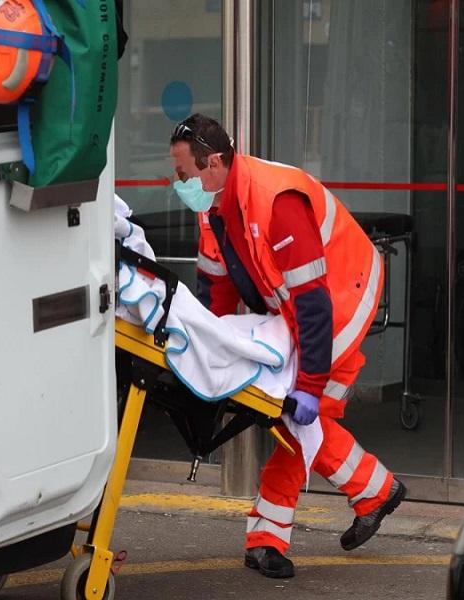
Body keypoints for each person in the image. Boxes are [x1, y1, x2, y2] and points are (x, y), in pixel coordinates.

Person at [168, 113, 406, 579]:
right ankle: (368, 494)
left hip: (344, 295)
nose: (177, 182)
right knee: (300, 418)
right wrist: (207, 356)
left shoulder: (276, 201)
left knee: (300, 414)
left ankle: (282, 532)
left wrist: (310, 384)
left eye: (182, 172)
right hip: (303, 304)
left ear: (212, 163)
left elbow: (314, 302)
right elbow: (215, 292)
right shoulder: (213, 206)